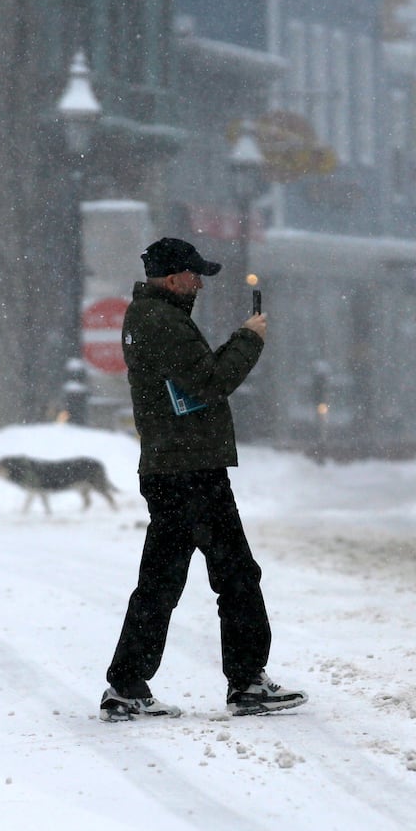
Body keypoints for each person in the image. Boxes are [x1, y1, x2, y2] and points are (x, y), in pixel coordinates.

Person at [100, 237, 307, 721]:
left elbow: (192, 381)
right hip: (190, 470)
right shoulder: (161, 321)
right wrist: (249, 337)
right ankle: (247, 681)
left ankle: (127, 685)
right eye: (194, 277)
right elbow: (211, 381)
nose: (199, 285)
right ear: (173, 279)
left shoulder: (150, 317)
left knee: (161, 582)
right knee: (234, 575)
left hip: (176, 467)